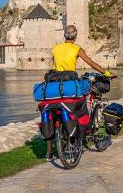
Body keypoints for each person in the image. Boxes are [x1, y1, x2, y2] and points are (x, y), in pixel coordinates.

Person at [45, 25, 115, 161]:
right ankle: (84, 128)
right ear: (75, 36)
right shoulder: (76, 49)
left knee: (51, 112)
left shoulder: (55, 48)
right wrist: (107, 73)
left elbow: (54, 65)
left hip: (55, 84)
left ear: (64, 35)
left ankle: (49, 152)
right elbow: (91, 63)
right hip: (70, 83)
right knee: (85, 92)